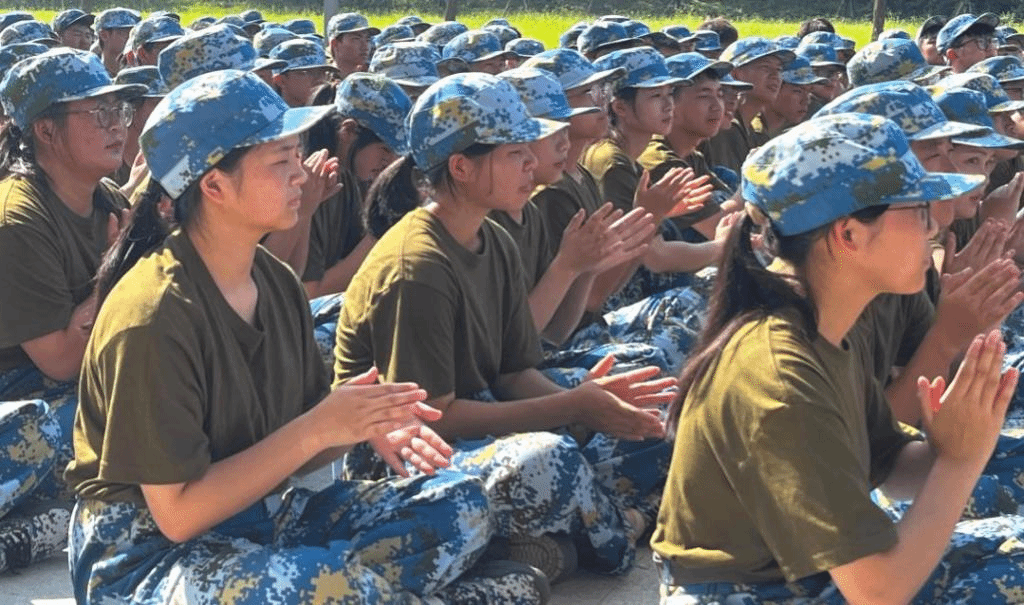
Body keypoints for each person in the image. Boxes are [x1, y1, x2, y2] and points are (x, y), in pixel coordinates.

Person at [64, 68, 550, 605]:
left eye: (296, 156)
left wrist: (360, 425)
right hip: (147, 559)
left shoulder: (273, 281)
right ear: (214, 185)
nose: (301, 174)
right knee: (321, 582)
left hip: (256, 519)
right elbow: (178, 515)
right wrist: (316, 429)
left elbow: (298, 447)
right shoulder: (153, 315)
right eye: (281, 162)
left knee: (459, 503)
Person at [652, 111, 1024, 604]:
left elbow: (891, 466)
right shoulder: (778, 371)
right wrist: (959, 462)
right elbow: (877, 591)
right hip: (750, 593)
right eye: (917, 211)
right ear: (849, 235)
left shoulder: (822, 333)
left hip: (794, 579)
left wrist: (949, 443)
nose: (932, 224)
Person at [335, 72, 677, 584]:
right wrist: (572, 409)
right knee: (549, 460)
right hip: (404, 453)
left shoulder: (490, 239)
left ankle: (564, 536)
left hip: (480, 410)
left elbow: (515, 371)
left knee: (652, 407)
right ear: (461, 167)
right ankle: (610, 529)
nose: (531, 164)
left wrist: (588, 403)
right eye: (515, 154)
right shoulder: (417, 267)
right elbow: (435, 418)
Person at [0, 47, 145, 572]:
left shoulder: (104, 197)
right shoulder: (17, 218)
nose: (117, 126)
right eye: (98, 113)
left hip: (51, 387)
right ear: (46, 130)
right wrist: (116, 272)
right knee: (81, 423)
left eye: (119, 111)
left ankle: (49, 524)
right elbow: (61, 361)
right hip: (20, 395)